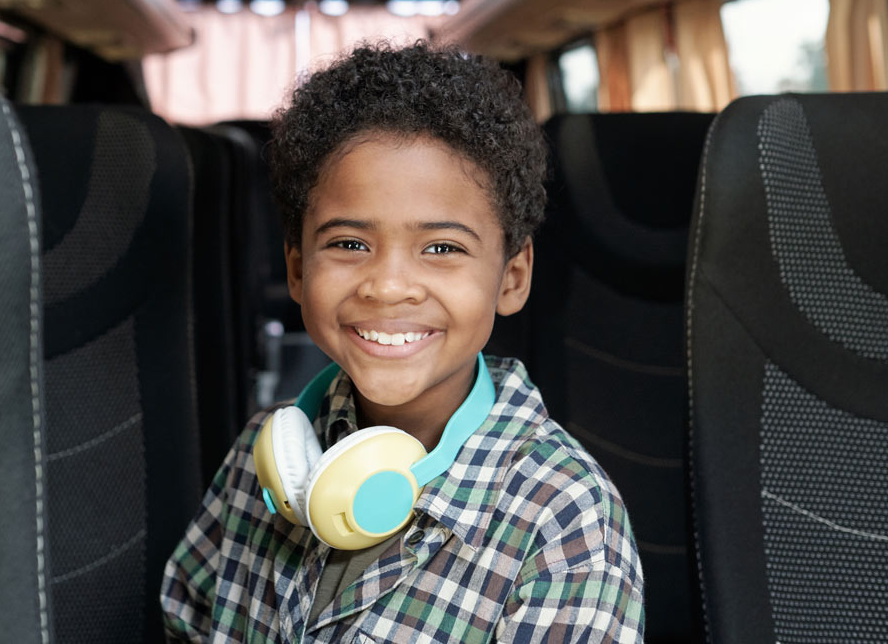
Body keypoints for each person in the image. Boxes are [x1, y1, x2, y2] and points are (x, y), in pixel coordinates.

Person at [161, 41, 644, 642]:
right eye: (349, 244)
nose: (388, 287)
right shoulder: (258, 460)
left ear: (512, 277)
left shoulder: (564, 522)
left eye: (442, 249)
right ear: (296, 270)